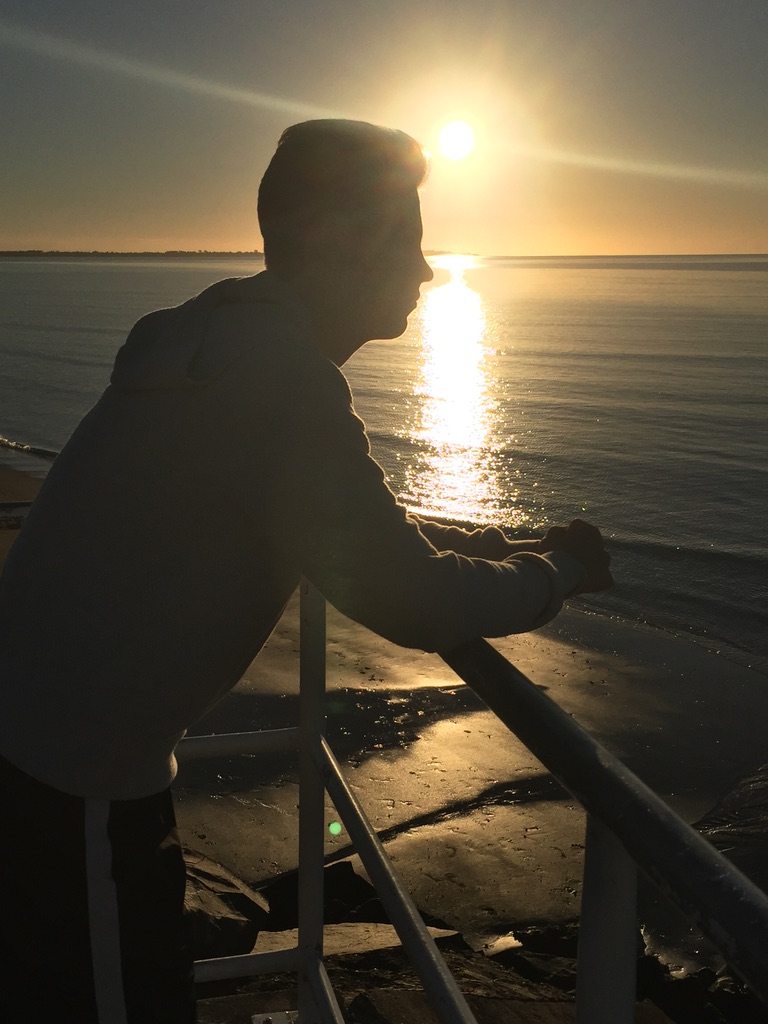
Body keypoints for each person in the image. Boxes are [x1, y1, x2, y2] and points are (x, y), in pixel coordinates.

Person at [0, 119, 612, 1022]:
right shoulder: (278, 377)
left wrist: (483, 548)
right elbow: (409, 598)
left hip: (47, 752)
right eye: (406, 238)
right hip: (69, 784)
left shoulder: (219, 344)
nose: (427, 269)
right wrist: (556, 572)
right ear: (346, 243)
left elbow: (332, 514)